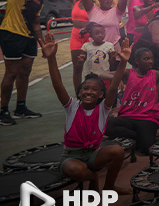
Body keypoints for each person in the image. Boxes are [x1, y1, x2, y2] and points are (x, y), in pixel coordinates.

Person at [41, 33, 129, 194]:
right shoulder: (72, 107)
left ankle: (109, 186)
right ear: (79, 92)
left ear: (101, 95)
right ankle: (93, 177)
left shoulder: (103, 109)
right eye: (85, 89)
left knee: (117, 151)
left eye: (95, 90)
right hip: (71, 156)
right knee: (77, 171)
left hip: (93, 154)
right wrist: (51, 58)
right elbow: (58, 84)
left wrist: (122, 62)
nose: (89, 92)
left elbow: (114, 85)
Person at [0, 0, 52, 124]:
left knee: (25, 72)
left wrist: (43, 45)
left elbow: (36, 22)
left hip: (29, 38)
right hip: (12, 34)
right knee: (11, 73)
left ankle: (21, 107)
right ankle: (3, 110)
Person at [105, 47, 159, 154]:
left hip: (147, 118)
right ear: (137, 61)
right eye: (146, 59)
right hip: (127, 116)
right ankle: (140, 137)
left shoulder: (156, 74)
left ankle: (156, 136)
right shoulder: (128, 73)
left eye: (151, 58)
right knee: (105, 126)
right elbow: (101, 75)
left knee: (147, 150)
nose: (150, 61)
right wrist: (116, 79)